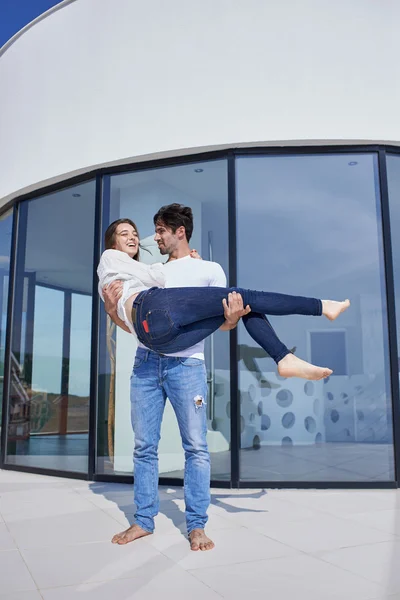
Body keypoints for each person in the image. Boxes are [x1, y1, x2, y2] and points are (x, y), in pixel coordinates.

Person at [101, 206, 350, 551]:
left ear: (179, 231)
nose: (151, 237)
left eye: (159, 231)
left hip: (187, 365)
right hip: (147, 361)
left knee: (197, 448)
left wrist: (232, 317)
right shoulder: (147, 270)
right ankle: (144, 520)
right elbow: (128, 316)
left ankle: (197, 526)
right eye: (150, 232)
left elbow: (227, 322)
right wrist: (112, 309)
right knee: (145, 448)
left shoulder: (207, 269)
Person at [98, 222, 350, 380]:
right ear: (113, 242)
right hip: (151, 312)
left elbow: (132, 323)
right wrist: (189, 263)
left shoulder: (127, 273)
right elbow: (159, 277)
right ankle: (321, 307)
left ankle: (284, 359)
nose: (132, 237)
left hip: (157, 338)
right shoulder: (110, 257)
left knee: (242, 306)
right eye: (124, 234)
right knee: (244, 296)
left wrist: (112, 311)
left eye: (134, 233)